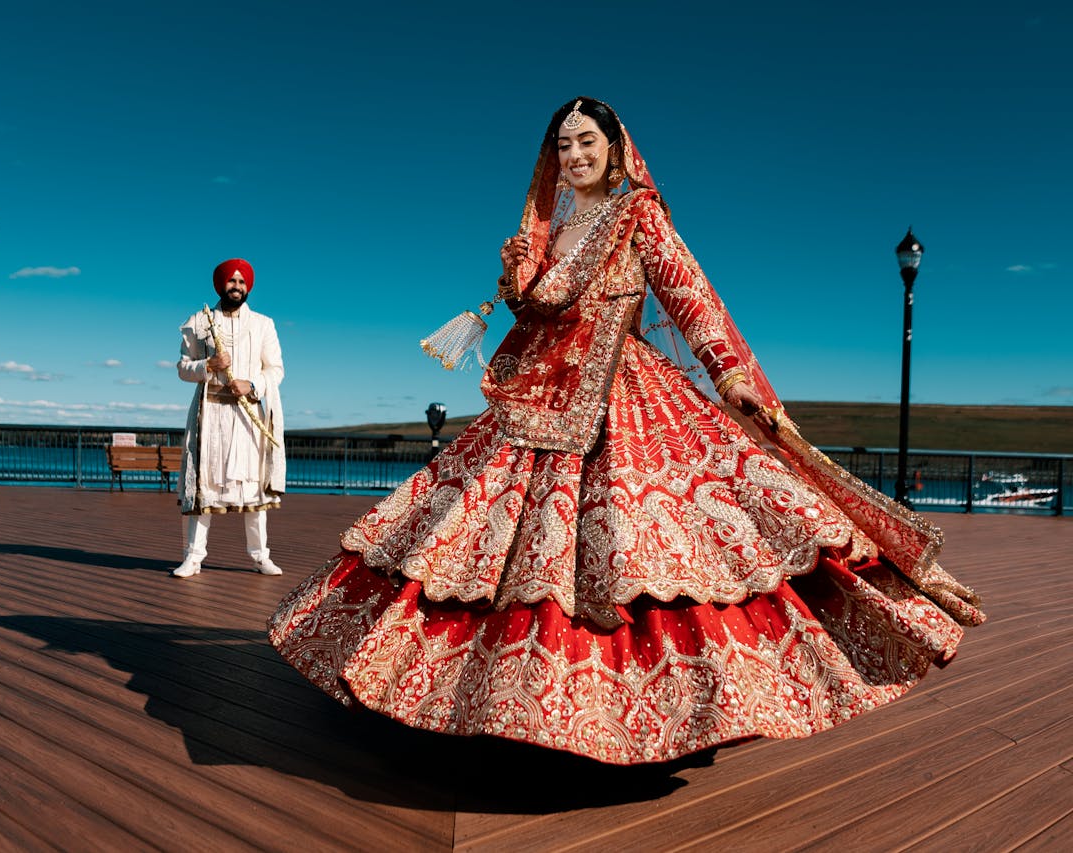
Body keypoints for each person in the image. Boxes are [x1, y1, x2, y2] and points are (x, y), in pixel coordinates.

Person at [267, 98, 984, 765]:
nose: (575, 153)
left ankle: (671, 710)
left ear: (615, 151)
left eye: (588, 141)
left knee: (648, 552)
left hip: (624, 395)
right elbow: (541, 311)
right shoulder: (544, 235)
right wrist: (519, 279)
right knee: (478, 543)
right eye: (563, 144)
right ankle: (494, 704)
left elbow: (691, 296)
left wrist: (730, 373)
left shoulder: (637, 215)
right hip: (539, 397)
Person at [174, 258, 286, 578]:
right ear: (220, 284)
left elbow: (275, 369)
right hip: (210, 417)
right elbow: (183, 368)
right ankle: (193, 557)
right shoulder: (198, 322)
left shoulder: (264, 324)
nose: (237, 286)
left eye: (242, 282)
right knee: (204, 485)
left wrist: (253, 385)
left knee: (252, 487)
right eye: (231, 281)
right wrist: (207, 365)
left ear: (247, 287)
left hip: (248, 414)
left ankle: (260, 555)